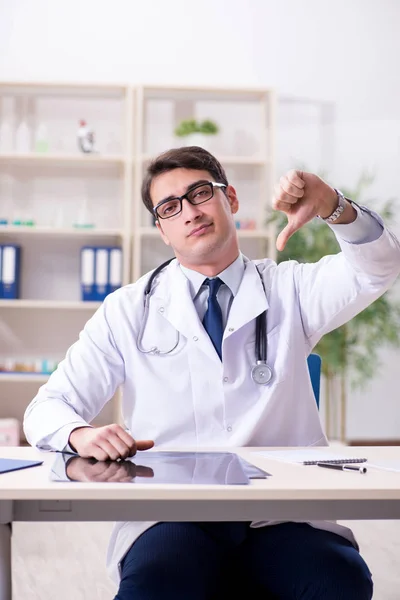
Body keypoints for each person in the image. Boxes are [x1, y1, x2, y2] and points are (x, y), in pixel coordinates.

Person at [24, 146, 400, 600]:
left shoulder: (290, 289)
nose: (189, 212)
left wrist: (334, 206)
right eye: (170, 207)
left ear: (231, 200)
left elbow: (379, 267)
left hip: (281, 514)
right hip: (174, 514)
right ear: (162, 229)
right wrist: (79, 434)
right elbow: (47, 407)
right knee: (154, 587)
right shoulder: (128, 309)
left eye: (200, 193)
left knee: (338, 582)